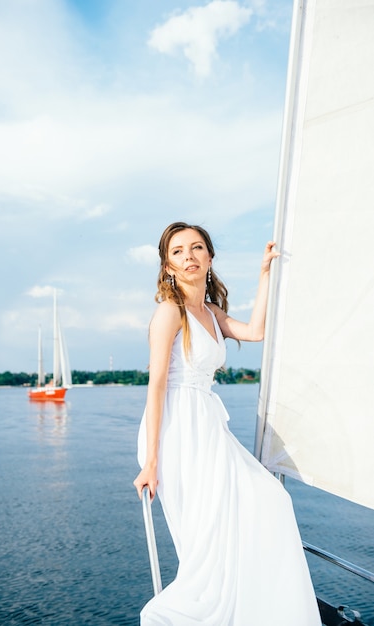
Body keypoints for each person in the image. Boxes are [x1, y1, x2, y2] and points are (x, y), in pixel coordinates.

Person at [133, 222, 321, 626]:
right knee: (206, 538)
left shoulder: (209, 312)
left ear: (210, 258)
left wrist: (265, 273)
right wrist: (150, 461)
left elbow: (255, 332)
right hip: (178, 430)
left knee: (271, 501)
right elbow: (157, 385)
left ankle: (250, 612)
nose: (189, 256)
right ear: (168, 264)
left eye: (197, 247)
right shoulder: (170, 311)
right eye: (179, 251)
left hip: (209, 428)